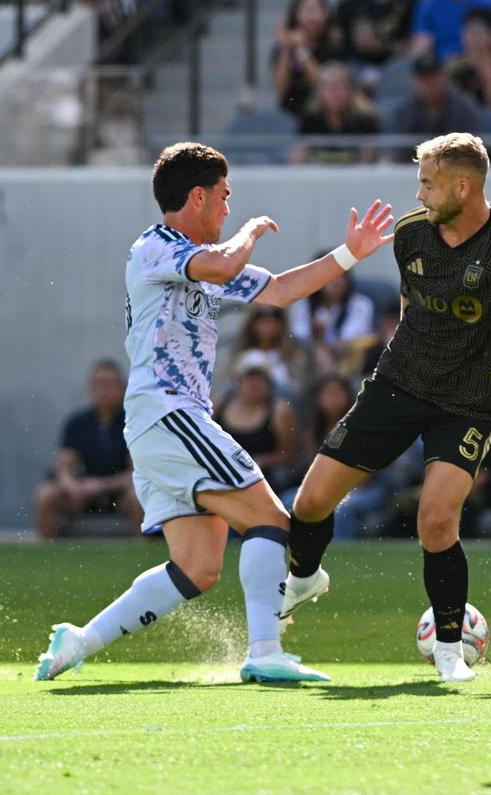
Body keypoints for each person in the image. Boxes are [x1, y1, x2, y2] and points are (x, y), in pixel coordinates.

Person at [33, 142, 394, 684]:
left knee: (198, 569)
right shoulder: (155, 247)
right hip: (170, 415)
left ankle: (80, 641)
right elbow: (228, 263)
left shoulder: (201, 263)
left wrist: (348, 256)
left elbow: (277, 291)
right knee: (272, 521)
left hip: (162, 424)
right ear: (198, 196)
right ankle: (266, 651)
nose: (228, 208)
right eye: (224, 197)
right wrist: (248, 230)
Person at [281, 132, 491, 682]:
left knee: (434, 520)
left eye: (427, 183)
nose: (420, 193)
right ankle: (305, 576)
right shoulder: (411, 233)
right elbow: (409, 302)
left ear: (463, 185)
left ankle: (450, 651)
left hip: (468, 403)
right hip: (398, 386)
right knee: (309, 505)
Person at [33, 359, 142, 540]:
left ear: (121, 388)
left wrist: (101, 486)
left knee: (138, 496)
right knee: (44, 495)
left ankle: (141, 554)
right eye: (99, 384)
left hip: (118, 496)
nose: (104, 391)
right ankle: (47, 557)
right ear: (90, 388)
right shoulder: (77, 423)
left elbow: (137, 473)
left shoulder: (133, 422)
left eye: (109, 384)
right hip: (83, 494)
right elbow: (63, 467)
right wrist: (72, 487)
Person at [215, 349, 299, 492]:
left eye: (260, 378)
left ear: (270, 383)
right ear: (239, 381)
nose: (255, 384)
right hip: (223, 473)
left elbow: (288, 454)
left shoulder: (279, 410)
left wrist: (262, 461)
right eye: (249, 378)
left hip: (264, 479)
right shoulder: (220, 404)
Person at [288, 268, 376, 375]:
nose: (336, 282)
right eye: (330, 277)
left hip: (349, 356)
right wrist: (316, 335)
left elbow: (349, 339)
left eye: (341, 277)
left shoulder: (361, 305)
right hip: (312, 358)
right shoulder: (305, 307)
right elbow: (299, 337)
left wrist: (323, 338)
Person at [292, 62, 382, 165]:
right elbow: (298, 163)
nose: (334, 92)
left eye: (340, 86)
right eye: (329, 86)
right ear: (319, 92)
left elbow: (368, 166)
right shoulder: (308, 120)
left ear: (351, 91)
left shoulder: (365, 120)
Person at [389, 54, 481, 154]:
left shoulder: (463, 110)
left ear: (444, 77)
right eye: (424, 79)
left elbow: (472, 152)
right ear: (414, 82)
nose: (430, 84)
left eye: (434, 77)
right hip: (413, 167)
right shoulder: (403, 113)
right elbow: (397, 154)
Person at [272, 0, 343, 116]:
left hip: (325, 110)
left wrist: (301, 49)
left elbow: (320, 83)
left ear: (326, 13)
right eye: (308, 9)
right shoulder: (285, 45)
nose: (313, 15)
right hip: (292, 107)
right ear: (295, 13)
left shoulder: (334, 44)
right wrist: (286, 49)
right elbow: (281, 87)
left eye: (317, 9)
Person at [334, 0, 416, 92]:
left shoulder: (410, 3)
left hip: (396, 65)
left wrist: (384, 45)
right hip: (357, 65)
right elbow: (336, 40)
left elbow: (414, 47)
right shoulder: (351, 2)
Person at [408, 0, 491, 63]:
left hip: (477, 61)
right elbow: (421, 41)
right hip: (440, 66)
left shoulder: (488, 3)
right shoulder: (429, 4)